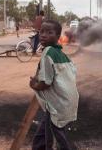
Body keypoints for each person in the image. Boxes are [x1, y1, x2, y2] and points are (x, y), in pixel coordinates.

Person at [30, 20, 79, 150]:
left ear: (58, 37)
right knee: (41, 137)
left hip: (57, 106)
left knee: (55, 143)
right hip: (65, 103)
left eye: (49, 32)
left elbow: (45, 83)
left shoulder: (48, 52)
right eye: (42, 32)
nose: (43, 35)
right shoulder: (64, 56)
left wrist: (34, 85)